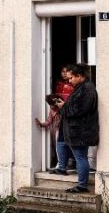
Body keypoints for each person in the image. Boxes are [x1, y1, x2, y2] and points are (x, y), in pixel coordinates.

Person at [61, 63, 98, 193]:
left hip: (81, 131)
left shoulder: (87, 89)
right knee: (80, 157)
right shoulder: (82, 88)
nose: (69, 81)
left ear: (79, 76)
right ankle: (81, 184)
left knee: (81, 157)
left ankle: (82, 185)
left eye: (71, 78)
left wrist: (63, 107)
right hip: (78, 130)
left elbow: (79, 110)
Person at [35, 93, 70, 174]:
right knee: (59, 149)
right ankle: (61, 166)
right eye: (50, 105)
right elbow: (49, 120)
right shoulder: (52, 110)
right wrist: (41, 124)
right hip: (58, 130)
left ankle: (65, 165)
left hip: (67, 129)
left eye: (52, 105)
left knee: (68, 148)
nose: (51, 107)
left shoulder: (64, 107)